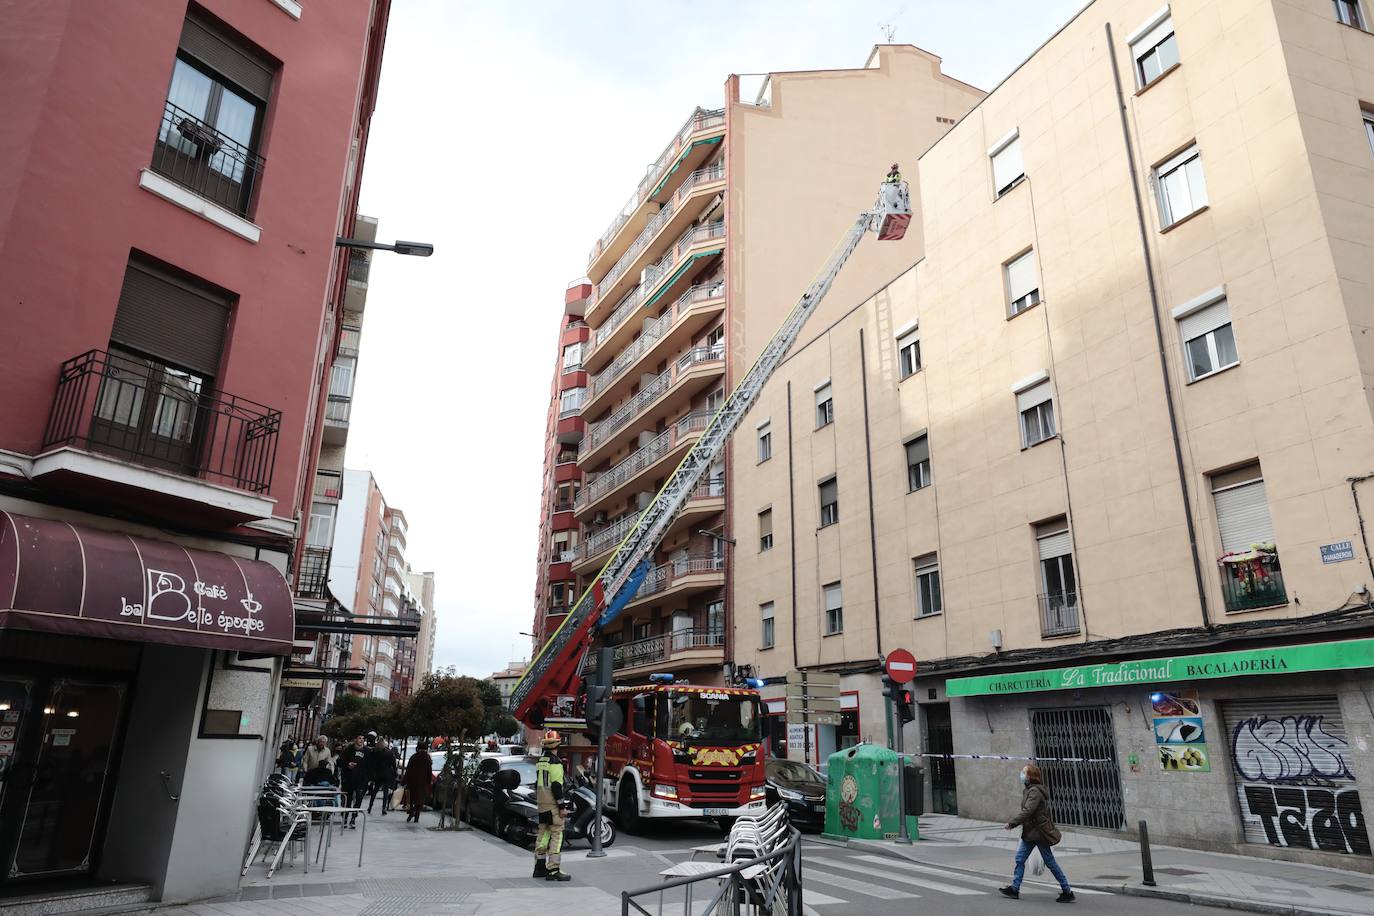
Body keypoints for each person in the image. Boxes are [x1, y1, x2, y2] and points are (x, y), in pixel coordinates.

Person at [1000, 764, 1074, 902]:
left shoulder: (1035, 792)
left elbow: (1028, 811)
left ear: (1030, 776)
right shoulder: (1030, 790)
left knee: (1050, 862)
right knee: (1020, 859)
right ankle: (1014, 889)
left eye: (1024, 772)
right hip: (1030, 832)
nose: (1022, 775)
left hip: (1039, 833)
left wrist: (1012, 823)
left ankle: (1067, 891)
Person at [532, 729, 570, 882]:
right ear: (557, 745)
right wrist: (562, 807)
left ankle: (539, 867)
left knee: (543, 833)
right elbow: (556, 786)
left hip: (541, 803)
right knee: (557, 834)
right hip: (553, 804)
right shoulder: (556, 763)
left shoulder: (541, 761)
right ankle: (553, 869)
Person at [337, 734, 369, 828]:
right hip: (348, 779)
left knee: (358, 799)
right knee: (347, 799)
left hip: (361, 779)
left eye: (363, 738)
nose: (361, 740)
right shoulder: (348, 750)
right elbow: (340, 761)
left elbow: (370, 765)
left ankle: (353, 818)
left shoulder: (367, 751)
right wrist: (347, 764)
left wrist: (369, 778)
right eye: (359, 738)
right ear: (355, 739)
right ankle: (345, 818)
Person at [402, 740, 432, 822]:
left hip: (412, 782)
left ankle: (411, 811)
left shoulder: (414, 757)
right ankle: (417, 816)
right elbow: (429, 770)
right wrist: (428, 781)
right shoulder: (427, 758)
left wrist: (404, 781)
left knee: (411, 798)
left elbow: (408, 770)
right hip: (422, 782)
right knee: (420, 799)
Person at [366, 737, 398, 815]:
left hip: (378, 774)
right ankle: (384, 809)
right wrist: (394, 773)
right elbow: (393, 764)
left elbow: (371, 763)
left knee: (375, 791)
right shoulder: (389, 753)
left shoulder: (375, 752)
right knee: (385, 792)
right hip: (387, 774)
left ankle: (370, 807)